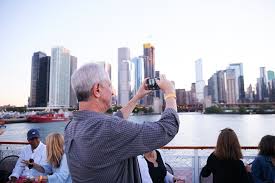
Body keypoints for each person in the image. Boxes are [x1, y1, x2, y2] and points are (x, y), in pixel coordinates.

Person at [64, 63, 180, 183]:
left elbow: (115, 120)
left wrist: (137, 97)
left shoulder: (70, 127)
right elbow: (169, 127)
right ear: (97, 89)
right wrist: (170, 92)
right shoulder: (109, 128)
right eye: (109, 85)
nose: (113, 92)